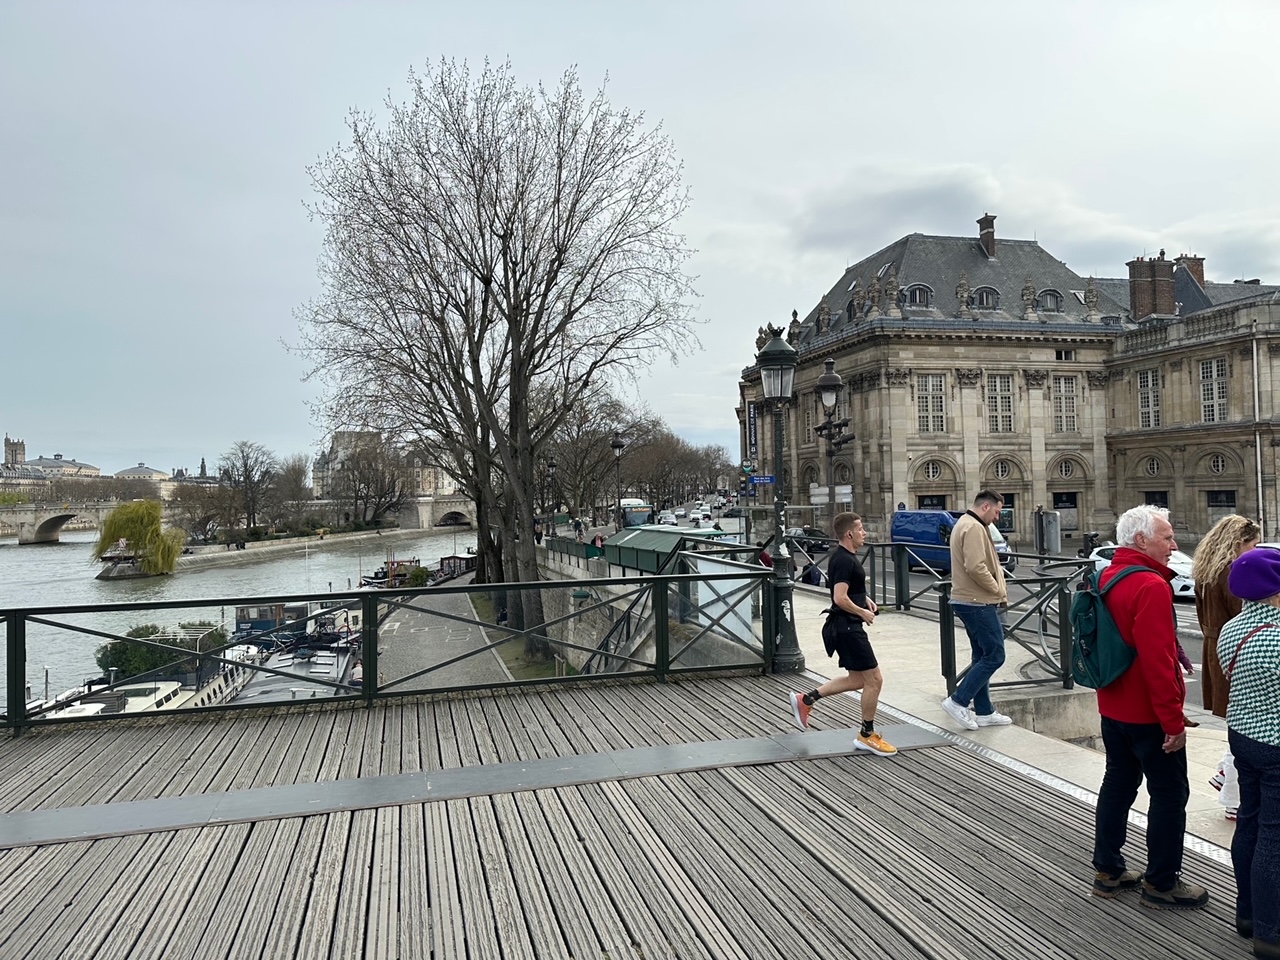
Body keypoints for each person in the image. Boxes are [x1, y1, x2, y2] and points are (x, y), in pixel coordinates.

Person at [1089, 504, 1208, 909]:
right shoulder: (1152, 586)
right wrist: (1173, 721)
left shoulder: (1107, 574)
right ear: (1142, 541)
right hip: (1148, 715)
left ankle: (1108, 869)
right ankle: (1161, 883)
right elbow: (1156, 663)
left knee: (1118, 784)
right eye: (1167, 537)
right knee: (1170, 794)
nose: (1174, 545)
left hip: (1112, 706)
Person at [788, 512, 896, 756]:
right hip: (847, 627)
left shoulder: (844, 557)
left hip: (845, 625)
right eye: (861, 529)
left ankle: (806, 700)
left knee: (858, 680)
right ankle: (867, 735)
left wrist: (864, 599)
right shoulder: (845, 560)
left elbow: (847, 587)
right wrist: (862, 612)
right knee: (875, 680)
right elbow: (839, 597)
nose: (864, 533)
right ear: (850, 533)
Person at [1218, 547, 1280, 955]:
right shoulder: (1277, 636)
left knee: (1249, 823)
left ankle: (1246, 913)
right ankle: (1270, 934)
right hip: (1276, 743)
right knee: (1274, 836)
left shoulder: (1231, 629)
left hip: (1242, 737)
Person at [1193, 514, 1260, 820]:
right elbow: (1243, 615)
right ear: (1238, 543)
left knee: (1234, 726)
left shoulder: (1205, 570)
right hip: (1235, 650)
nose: (1255, 551)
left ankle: (1225, 774)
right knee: (1243, 728)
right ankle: (1232, 794)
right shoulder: (1232, 572)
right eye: (1253, 544)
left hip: (1213, 648)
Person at [940, 491, 1013, 730]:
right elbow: (975, 565)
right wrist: (995, 590)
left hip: (969, 599)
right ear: (985, 506)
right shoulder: (973, 527)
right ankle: (958, 701)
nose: (998, 516)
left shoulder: (966, 523)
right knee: (995, 655)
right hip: (977, 600)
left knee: (981, 655)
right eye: (997, 511)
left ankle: (984, 711)